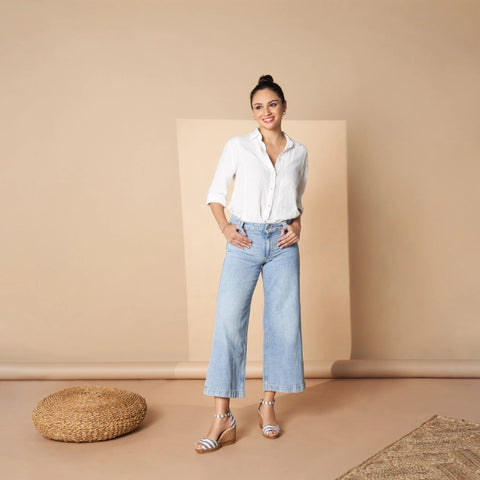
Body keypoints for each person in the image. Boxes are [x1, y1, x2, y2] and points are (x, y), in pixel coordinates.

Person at [194, 75, 308, 454]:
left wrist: (296, 225)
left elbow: (296, 198)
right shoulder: (238, 147)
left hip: (281, 243)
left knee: (282, 323)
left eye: (272, 104)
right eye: (258, 107)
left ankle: (268, 404)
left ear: (284, 106)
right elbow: (214, 193)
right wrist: (226, 228)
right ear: (253, 112)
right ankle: (222, 416)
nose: (266, 112)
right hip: (243, 241)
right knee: (229, 322)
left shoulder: (299, 152)